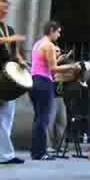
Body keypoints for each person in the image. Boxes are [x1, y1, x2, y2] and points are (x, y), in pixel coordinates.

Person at [30, 21, 80, 160]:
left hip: (34, 81)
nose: (59, 35)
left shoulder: (38, 44)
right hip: (44, 82)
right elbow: (53, 69)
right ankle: (40, 153)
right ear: (51, 30)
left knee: (38, 117)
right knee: (43, 118)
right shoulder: (50, 46)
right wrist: (73, 66)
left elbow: (44, 64)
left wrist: (58, 59)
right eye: (58, 32)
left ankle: (36, 151)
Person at [0, 0, 27, 165]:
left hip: (9, 77)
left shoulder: (8, 29)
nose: (5, 10)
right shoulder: (9, 34)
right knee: (1, 118)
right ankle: (6, 155)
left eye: (7, 7)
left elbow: (15, 53)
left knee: (8, 116)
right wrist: (10, 39)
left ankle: (3, 152)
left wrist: (21, 61)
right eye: (2, 6)